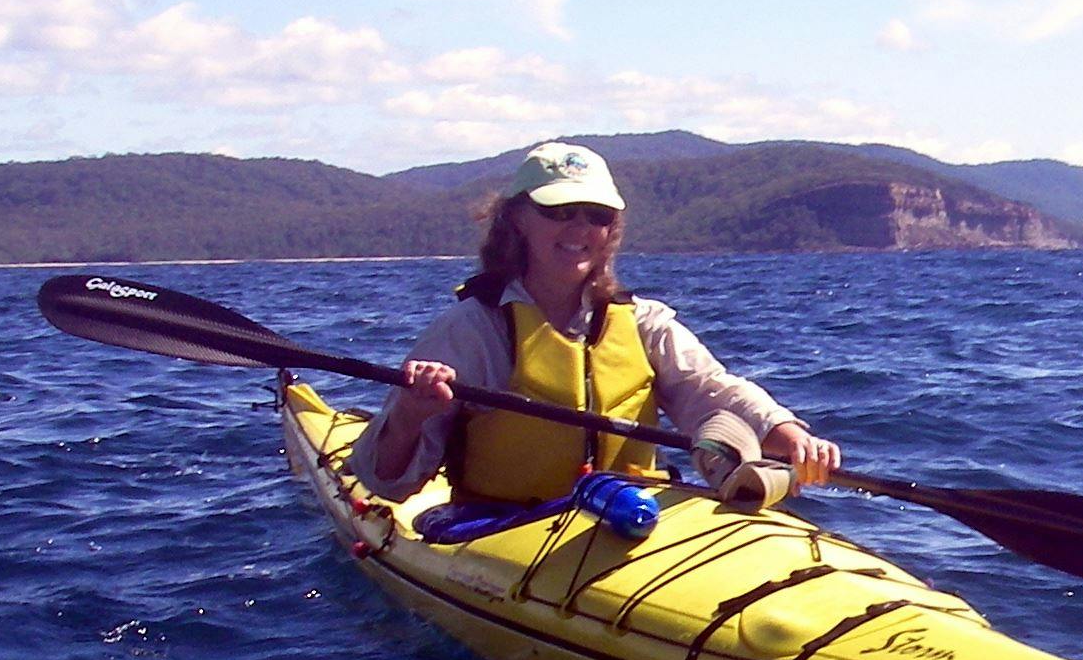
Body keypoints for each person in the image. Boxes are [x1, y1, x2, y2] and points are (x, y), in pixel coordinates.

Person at [349, 141, 841, 507]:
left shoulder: (643, 322)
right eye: (559, 211)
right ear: (517, 219)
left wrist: (788, 433)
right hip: (505, 526)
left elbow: (712, 392)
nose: (580, 228)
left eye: (597, 215)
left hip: (629, 516)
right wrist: (411, 414)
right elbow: (385, 481)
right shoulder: (471, 329)